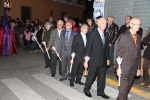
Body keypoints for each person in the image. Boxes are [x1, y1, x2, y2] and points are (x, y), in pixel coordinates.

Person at [83, 18, 110, 99]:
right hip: (94, 60)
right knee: (91, 76)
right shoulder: (93, 33)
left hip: (103, 60)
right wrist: (86, 60)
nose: (105, 25)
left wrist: (107, 58)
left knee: (102, 77)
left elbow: (106, 48)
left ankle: (101, 92)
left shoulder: (106, 34)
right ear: (98, 24)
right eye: (103, 23)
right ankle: (86, 89)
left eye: (105, 23)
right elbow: (88, 48)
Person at [116, 18, 141, 100]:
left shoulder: (139, 37)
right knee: (123, 92)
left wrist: (138, 68)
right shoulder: (123, 36)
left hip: (133, 69)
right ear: (130, 24)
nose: (138, 26)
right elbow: (118, 54)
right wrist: (118, 68)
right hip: (124, 68)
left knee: (125, 90)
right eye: (136, 24)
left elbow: (138, 54)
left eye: (139, 24)